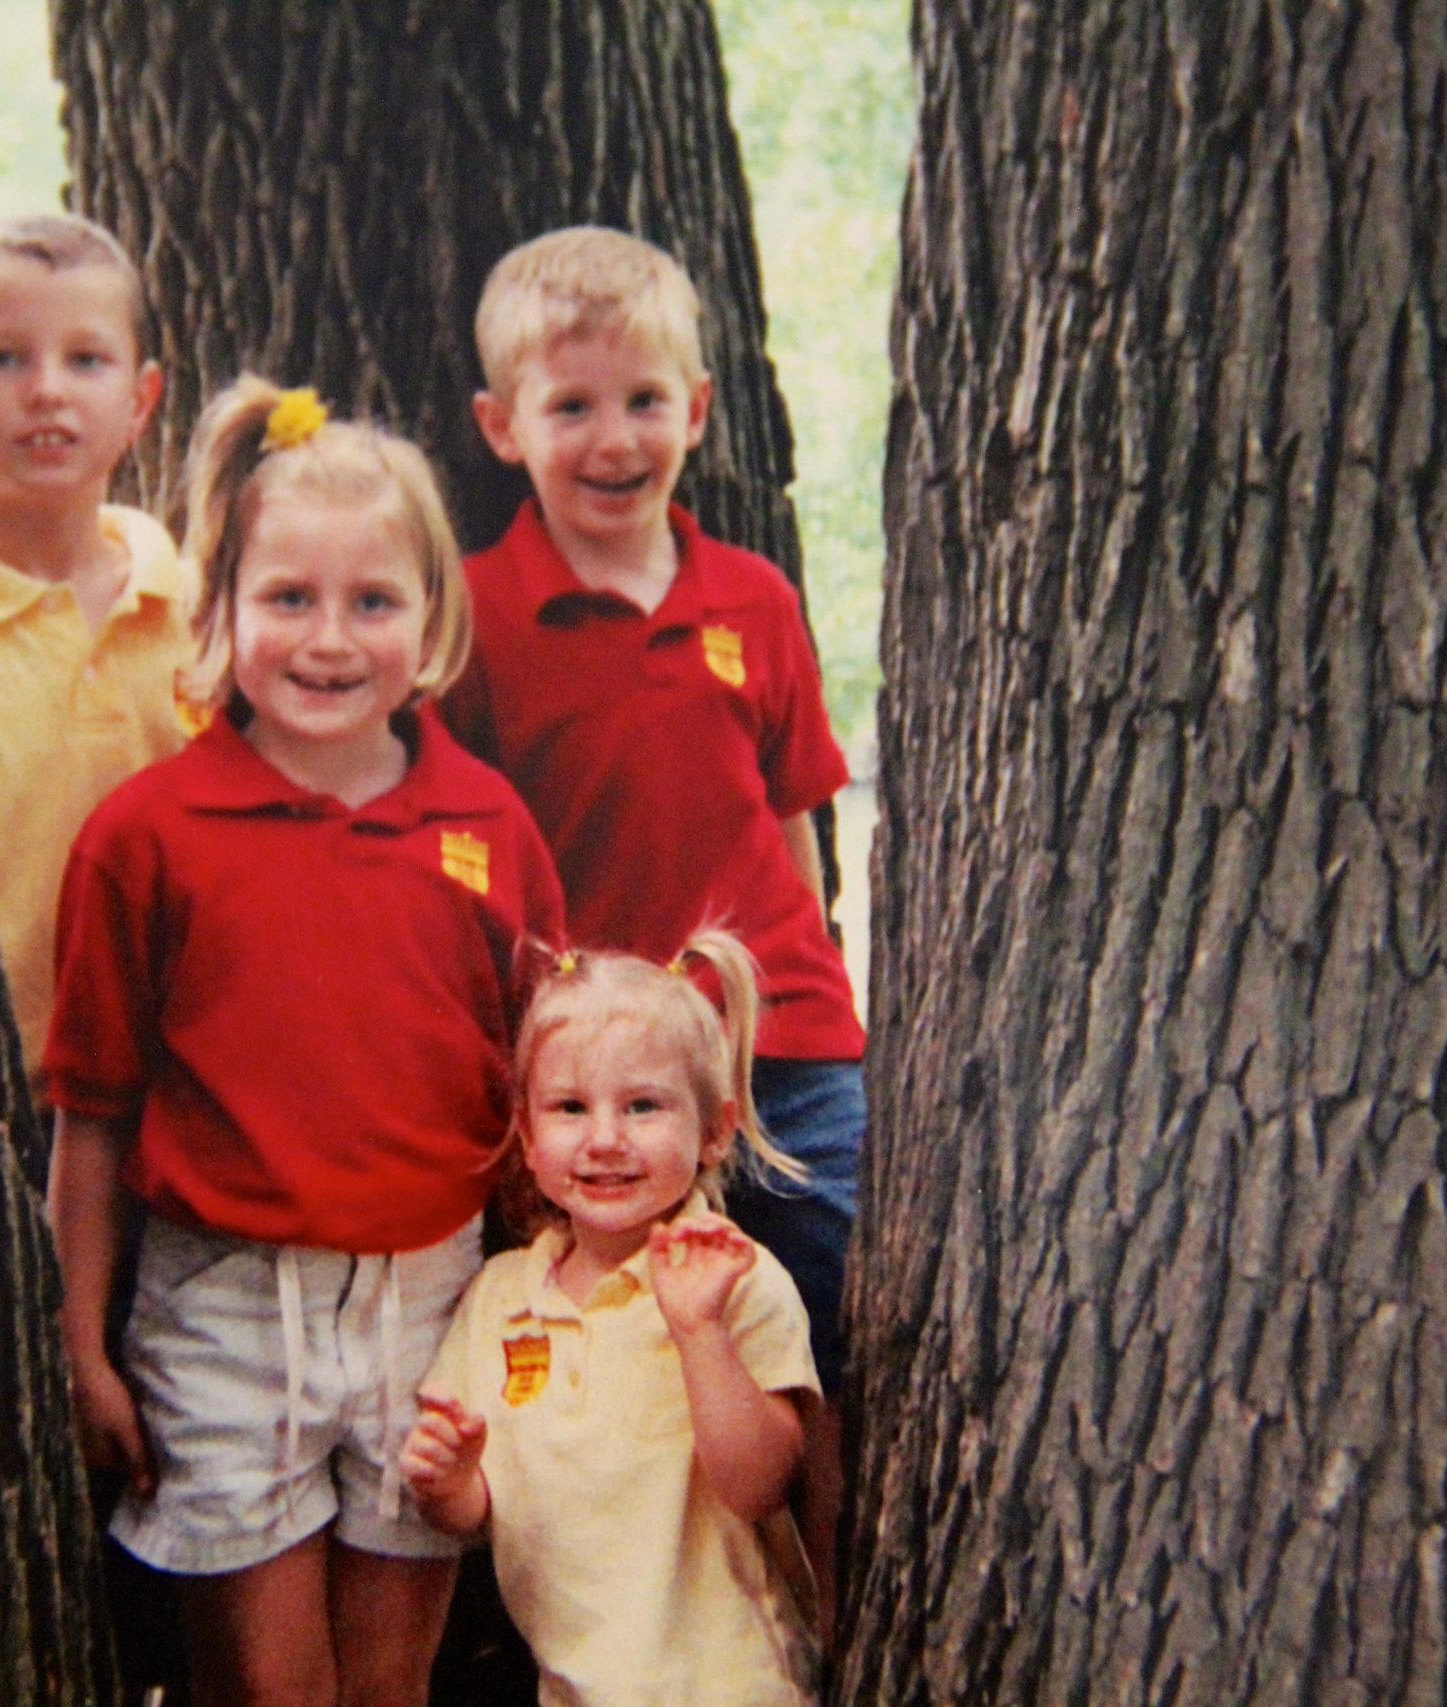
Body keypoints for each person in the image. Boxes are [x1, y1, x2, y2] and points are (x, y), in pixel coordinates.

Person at [44, 377, 566, 1707]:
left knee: (391, 1688)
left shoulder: (490, 826)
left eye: (374, 602)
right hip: (222, 1301)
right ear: (217, 607)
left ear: (432, 615)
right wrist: (80, 1336)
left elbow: (542, 1095)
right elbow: (93, 1107)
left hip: (432, 1298)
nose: (330, 639)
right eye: (288, 598)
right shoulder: (149, 836)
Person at [444, 225, 866, 1592]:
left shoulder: (754, 596)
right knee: (624, 1346)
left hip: (784, 1046)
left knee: (828, 1320)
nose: (612, 437)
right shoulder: (476, 612)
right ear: (503, 426)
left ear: (694, 408)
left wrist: (810, 988)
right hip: (603, 1073)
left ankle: (843, 1617)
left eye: (643, 401)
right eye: (570, 406)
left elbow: (797, 824)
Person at [402, 933, 819, 1707]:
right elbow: (483, 1511)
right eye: (569, 1107)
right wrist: (449, 1483)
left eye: (643, 1105)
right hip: (573, 1687)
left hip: (727, 1685)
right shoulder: (500, 1295)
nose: (604, 1139)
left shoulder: (736, 1278)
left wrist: (701, 1333)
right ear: (528, 1136)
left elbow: (761, 1485)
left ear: (717, 1129)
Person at [0, 213, 187, 1102]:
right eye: (2, 358)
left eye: (85, 359)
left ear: (140, 401)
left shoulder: (205, 604)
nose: (46, 390)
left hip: (194, 1072)